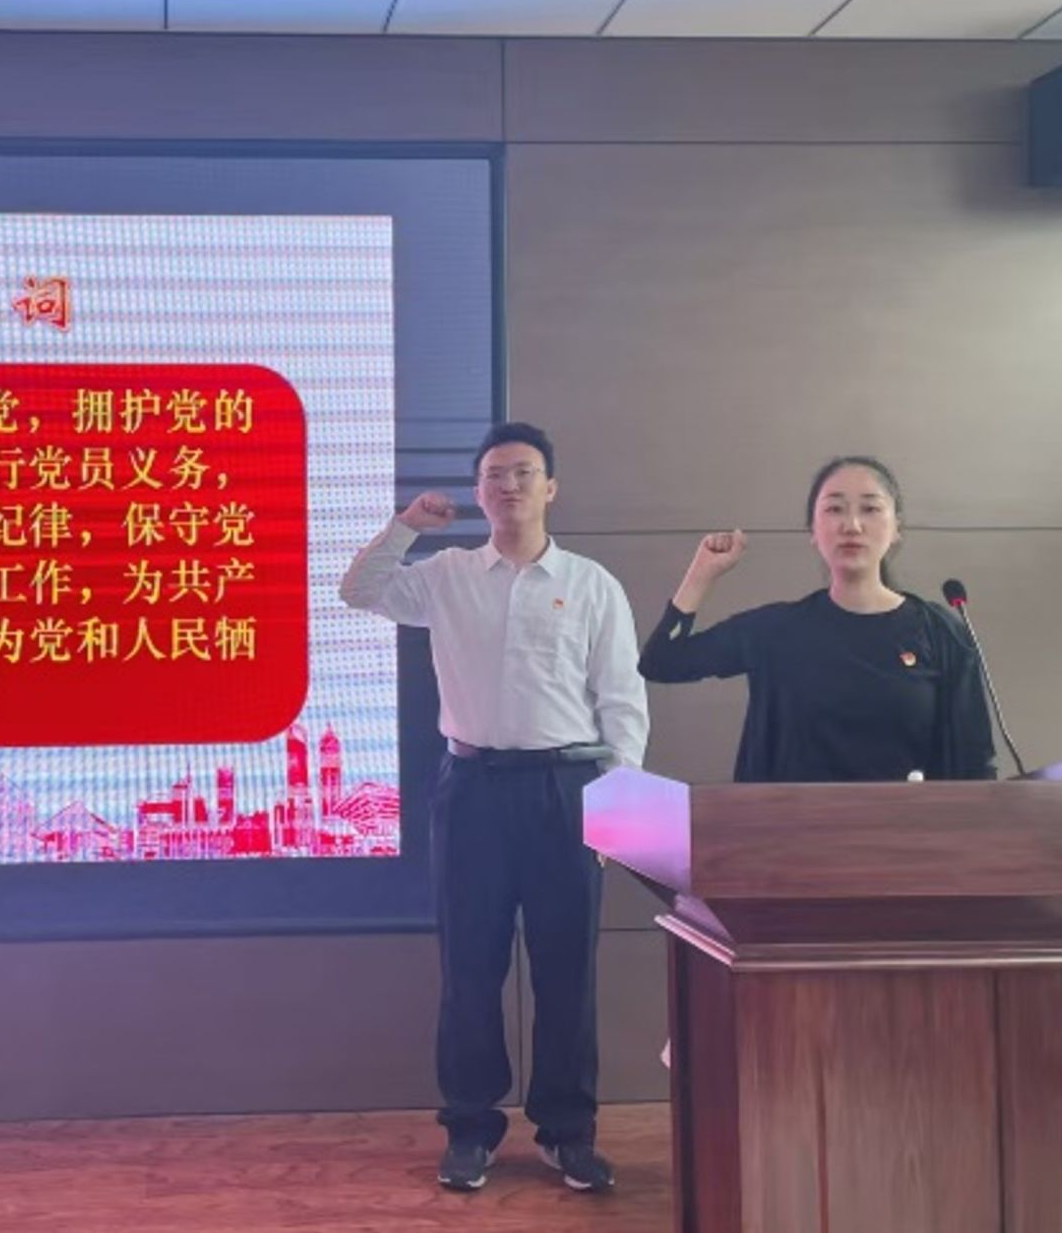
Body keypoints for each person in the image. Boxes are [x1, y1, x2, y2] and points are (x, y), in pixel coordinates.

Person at [340, 422, 648, 1194]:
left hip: (566, 791)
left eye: (524, 472)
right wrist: (406, 526)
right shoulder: (446, 575)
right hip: (472, 788)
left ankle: (567, 1132)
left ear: (551, 488)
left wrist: (619, 809)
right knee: (469, 968)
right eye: (495, 474)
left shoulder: (592, 584)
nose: (509, 485)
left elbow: (622, 699)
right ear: (479, 492)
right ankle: (470, 1129)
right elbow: (359, 590)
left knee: (567, 969)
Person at [638, 456, 996, 784]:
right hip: (792, 830)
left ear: (896, 528)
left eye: (870, 508)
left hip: (910, 831)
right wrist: (701, 574)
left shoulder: (941, 633)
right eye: (834, 509)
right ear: (813, 530)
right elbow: (661, 661)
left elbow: (976, 764)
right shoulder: (777, 631)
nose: (852, 525)